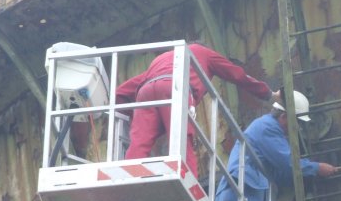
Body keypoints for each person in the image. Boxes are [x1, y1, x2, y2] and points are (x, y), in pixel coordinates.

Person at [214, 91, 341, 201]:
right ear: (284, 116)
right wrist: (317, 168)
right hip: (244, 188)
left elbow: (277, 173)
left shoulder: (263, 127)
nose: (296, 128)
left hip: (234, 188)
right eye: (296, 122)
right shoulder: (268, 128)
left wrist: (308, 175)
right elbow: (288, 163)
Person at [115, 42, 279, 176]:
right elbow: (237, 74)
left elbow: (122, 92)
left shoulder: (163, 59)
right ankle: (187, 180)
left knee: (139, 143)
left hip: (145, 91)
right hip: (175, 87)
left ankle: (128, 177)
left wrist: (129, 113)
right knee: (181, 142)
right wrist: (268, 94)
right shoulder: (203, 53)